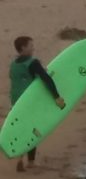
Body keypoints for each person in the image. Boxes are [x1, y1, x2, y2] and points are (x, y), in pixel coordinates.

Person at [9, 36, 65, 172]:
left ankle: (21, 157)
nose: (33, 48)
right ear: (23, 48)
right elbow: (46, 79)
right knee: (33, 129)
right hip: (29, 101)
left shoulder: (13, 64)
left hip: (16, 100)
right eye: (30, 46)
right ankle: (30, 161)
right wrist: (56, 97)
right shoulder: (32, 63)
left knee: (23, 127)